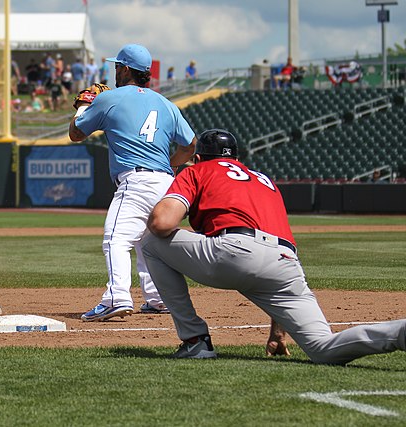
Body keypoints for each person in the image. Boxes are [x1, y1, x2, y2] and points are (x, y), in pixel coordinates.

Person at [141, 129, 406, 363]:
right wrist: (278, 332)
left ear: (198, 158)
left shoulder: (198, 170)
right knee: (323, 348)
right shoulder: (262, 179)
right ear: (237, 159)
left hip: (235, 252)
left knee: (151, 241)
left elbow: (162, 223)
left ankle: (195, 341)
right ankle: (399, 333)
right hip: (285, 262)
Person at [69, 43, 197, 322]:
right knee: (148, 244)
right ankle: (157, 299)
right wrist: (168, 165)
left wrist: (83, 105)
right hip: (166, 183)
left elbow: (76, 134)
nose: (115, 71)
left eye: (117, 66)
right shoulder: (167, 104)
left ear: (126, 69)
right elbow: (190, 146)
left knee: (116, 239)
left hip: (135, 179)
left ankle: (116, 297)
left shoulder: (110, 98)